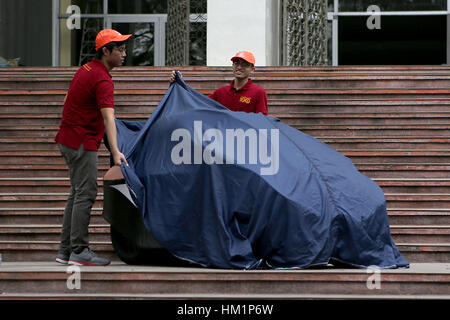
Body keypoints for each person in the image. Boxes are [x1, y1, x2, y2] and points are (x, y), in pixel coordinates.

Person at [54, 29, 131, 266]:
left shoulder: (86, 69)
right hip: (80, 141)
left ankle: (66, 250)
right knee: (85, 194)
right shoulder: (102, 79)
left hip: (69, 138)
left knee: (76, 193)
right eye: (119, 49)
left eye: (124, 49)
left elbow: (68, 99)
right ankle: (79, 250)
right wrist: (116, 152)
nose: (124, 54)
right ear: (105, 51)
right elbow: (109, 118)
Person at [171, 51, 268, 115]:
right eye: (236, 63)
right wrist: (180, 85)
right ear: (232, 66)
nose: (239, 67)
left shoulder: (258, 92)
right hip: (223, 141)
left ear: (252, 69)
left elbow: (262, 121)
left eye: (244, 65)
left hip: (246, 141)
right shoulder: (221, 92)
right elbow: (198, 102)